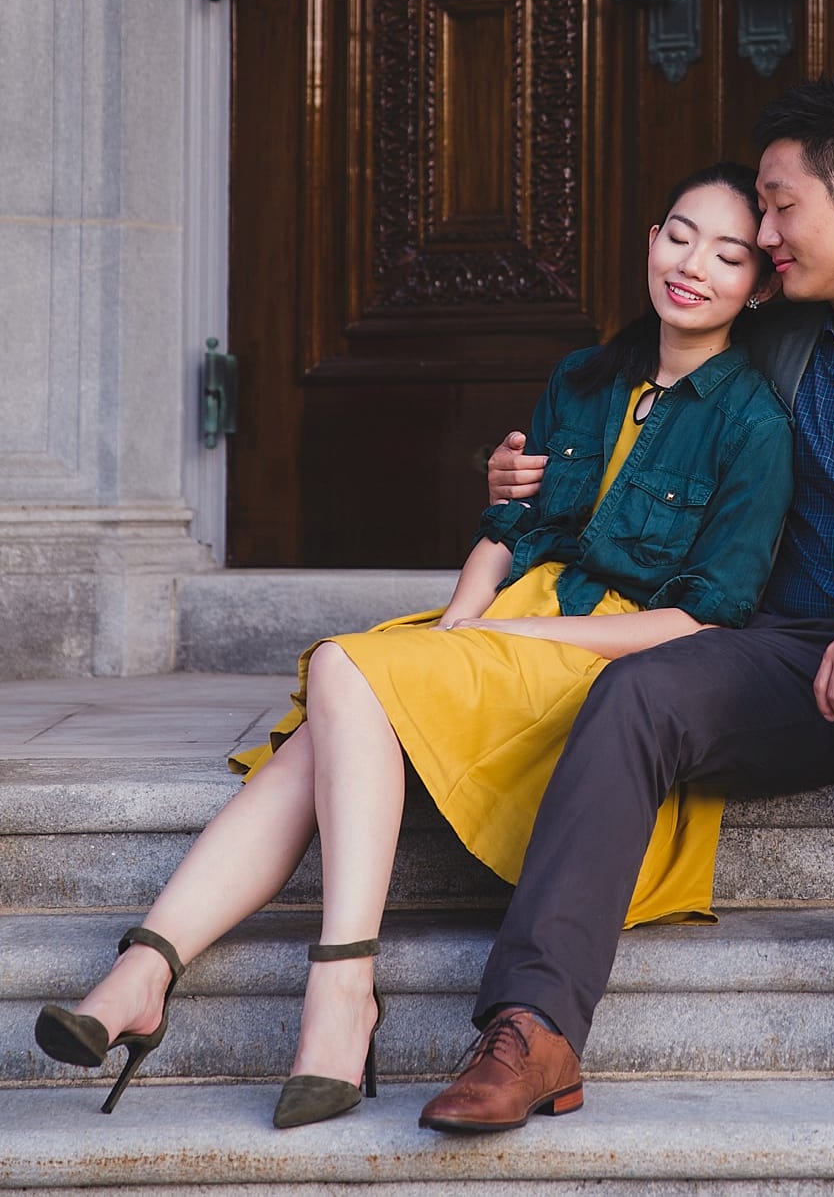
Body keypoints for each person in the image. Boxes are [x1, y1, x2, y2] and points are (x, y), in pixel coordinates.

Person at [33, 164, 793, 1130]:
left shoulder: (754, 425)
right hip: (515, 627)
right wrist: (458, 626)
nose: (692, 267)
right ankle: (149, 973)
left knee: (345, 667)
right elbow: (512, 531)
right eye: (679, 236)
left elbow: (706, 620)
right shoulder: (586, 379)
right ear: (650, 238)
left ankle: (330, 989)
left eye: (728, 256)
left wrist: (508, 632)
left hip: (609, 664)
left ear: (758, 287)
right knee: (351, 699)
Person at [422, 76, 834, 1134]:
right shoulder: (770, 344)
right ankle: (533, 1029)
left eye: (779, 207)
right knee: (637, 694)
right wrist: (511, 476)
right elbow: (619, 403)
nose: (761, 233)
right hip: (779, 664)